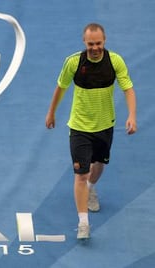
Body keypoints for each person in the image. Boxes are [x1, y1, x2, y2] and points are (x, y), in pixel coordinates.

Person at [45, 23, 137, 240]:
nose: (95, 48)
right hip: (79, 127)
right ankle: (83, 223)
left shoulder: (115, 61)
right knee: (80, 173)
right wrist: (52, 113)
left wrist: (132, 115)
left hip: (105, 125)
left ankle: (91, 188)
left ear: (104, 41)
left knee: (99, 165)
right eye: (90, 44)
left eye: (98, 43)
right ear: (84, 42)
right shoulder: (74, 62)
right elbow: (61, 86)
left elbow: (128, 88)